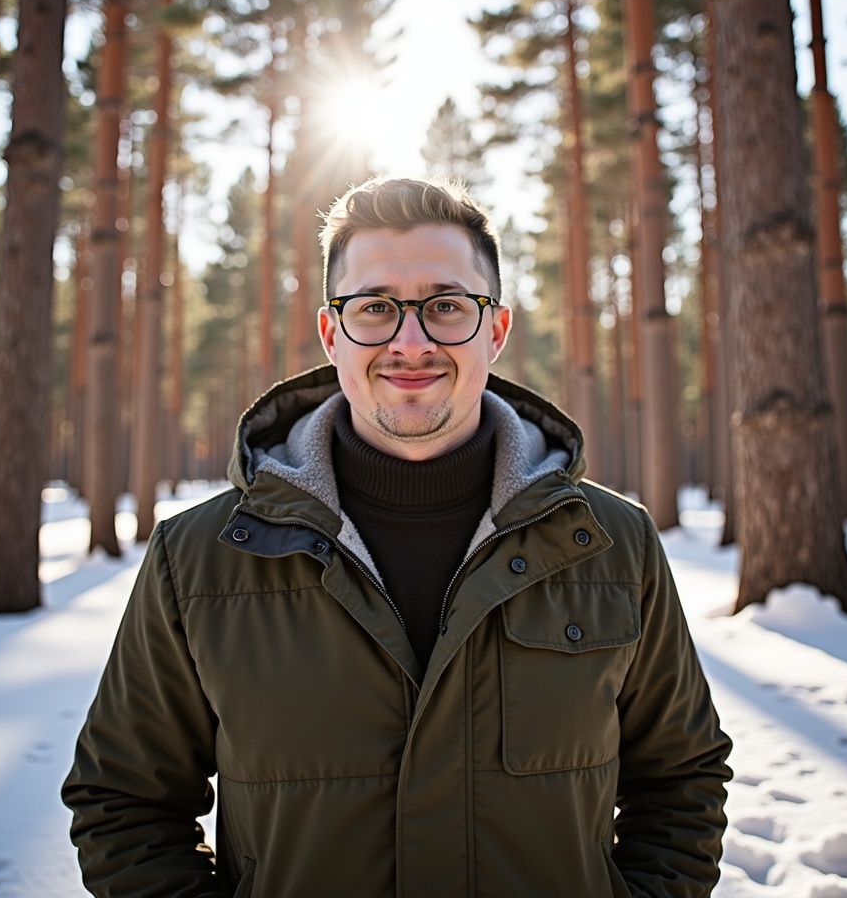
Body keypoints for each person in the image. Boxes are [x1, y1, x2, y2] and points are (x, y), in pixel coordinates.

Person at [63, 177, 732, 898]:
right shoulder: (198, 559)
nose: (410, 342)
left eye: (447, 306)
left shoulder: (613, 545)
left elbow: (680, 780)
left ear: (496, 330)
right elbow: (124, 803)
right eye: (375, 308)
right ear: (331, 332)